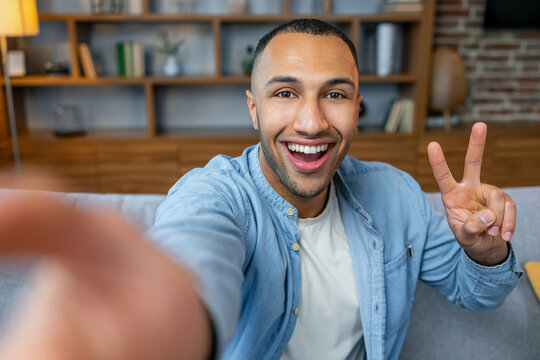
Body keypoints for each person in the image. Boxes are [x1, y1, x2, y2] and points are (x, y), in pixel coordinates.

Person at [0, 19, 522, 360]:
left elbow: (477, 294)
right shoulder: (216, 194)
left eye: (334, 94)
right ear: (254, 108)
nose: (312, 122)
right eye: (286, 93)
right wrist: (173, 319)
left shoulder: (398, 195)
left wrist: (486, 249)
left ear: (357, 106)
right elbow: (196, 252)